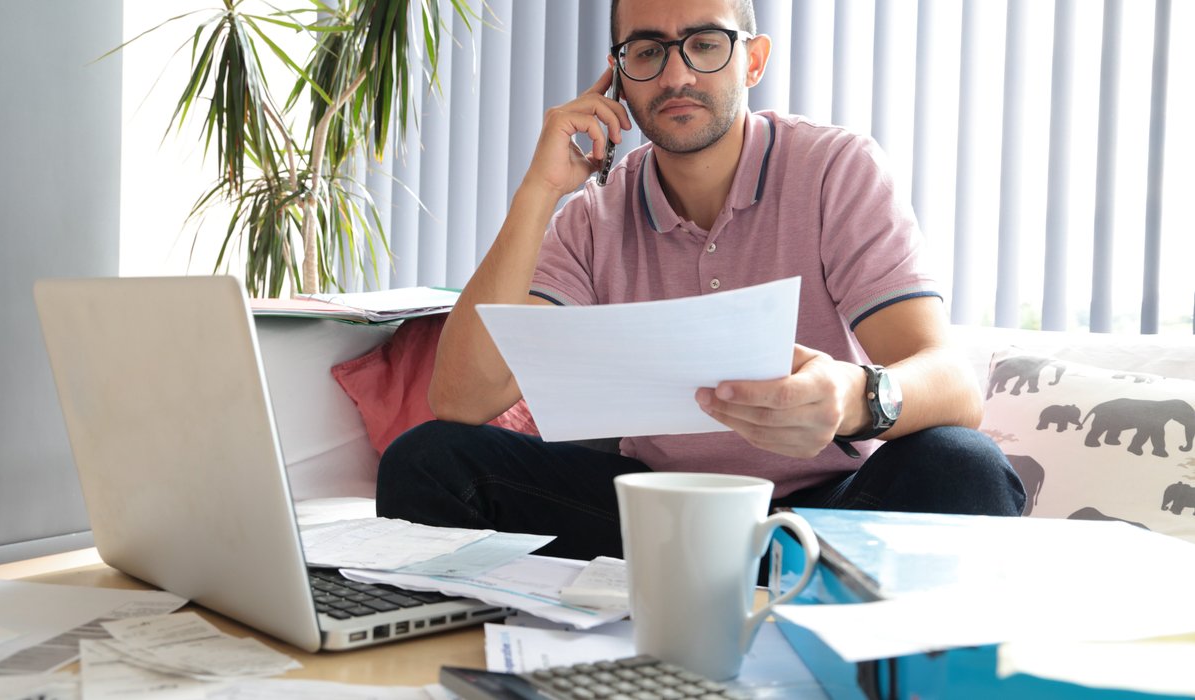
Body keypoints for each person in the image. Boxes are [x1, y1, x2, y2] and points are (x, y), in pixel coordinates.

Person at [377, 0, 1025, 561]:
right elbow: (461, 401)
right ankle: (756, 599)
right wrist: (538, 190)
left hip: (825, 514)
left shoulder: (834, 169)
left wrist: (849, 399)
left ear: (752, 60)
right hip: (651, 514)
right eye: (647, 50)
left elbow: (951, 381)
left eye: (705, 44)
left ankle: (759, 596)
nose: (676, 74)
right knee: (430, 459)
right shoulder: (594, 215)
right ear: (617, 78)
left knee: (962, 464)